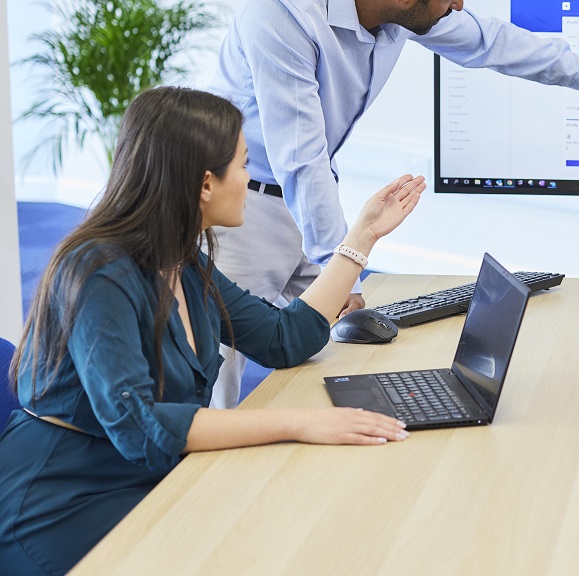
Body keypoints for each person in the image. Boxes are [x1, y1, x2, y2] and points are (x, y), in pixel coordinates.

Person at [207, 0, 579, 408]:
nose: (460, 7)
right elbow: (300, 155)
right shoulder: (285, 10)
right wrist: (344, 263)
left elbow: (490, 43)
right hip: (236, 207)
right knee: (216, 382)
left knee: (331, 359)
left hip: (305, 197)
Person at [0, 87, 425, 576]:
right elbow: (138, 427)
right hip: (60, 501)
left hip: (146, 477)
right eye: (244, 165)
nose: (250, 179)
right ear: (206, 183)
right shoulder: (99, 272)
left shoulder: (184, 259)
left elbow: (283, 337)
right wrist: (297, 422)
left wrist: (362, 237)